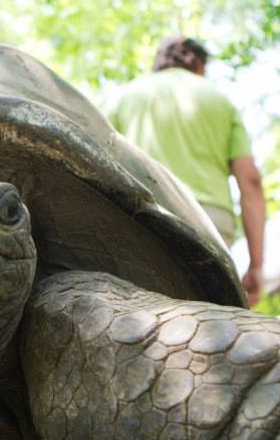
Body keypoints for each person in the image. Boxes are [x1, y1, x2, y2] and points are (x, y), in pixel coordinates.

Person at [106, 36, 265, 305]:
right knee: (212, 319)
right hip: (209, 222)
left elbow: (103, 162)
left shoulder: (128, 97)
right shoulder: (219, 99)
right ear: (199, 65)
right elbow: (250, 181)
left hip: (143, 217)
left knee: (144, 315)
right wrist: (257, 264)